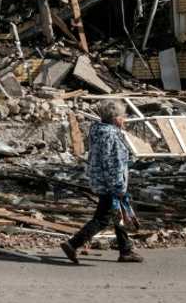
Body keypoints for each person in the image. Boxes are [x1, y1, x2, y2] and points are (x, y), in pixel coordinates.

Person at [61, 99, 144, 265]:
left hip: (100, 180)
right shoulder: (111, 135)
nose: (124, 119)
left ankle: (126, 250)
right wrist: (118, 187)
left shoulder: (98, 130)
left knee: (117, 214)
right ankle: (73, 243)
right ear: (115, 119)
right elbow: (112, 163)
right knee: (103, 218)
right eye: (122, 116)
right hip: (110, 184)